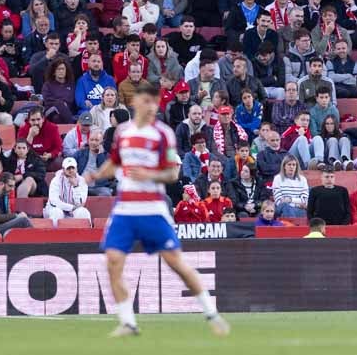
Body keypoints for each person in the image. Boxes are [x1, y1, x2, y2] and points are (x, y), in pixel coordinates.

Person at [83, 81, 228, 336]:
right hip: (125, 209)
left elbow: (173, 173)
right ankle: (128, 322)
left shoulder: (163, 134)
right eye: (147, 101)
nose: (152, 106)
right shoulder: (124, 132)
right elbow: (115, 163)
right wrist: (95, 176)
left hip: (152, 208)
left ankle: (212, 313)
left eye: (155, 102)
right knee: (113, 262)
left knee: (176, 264)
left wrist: (148, 173)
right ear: (136, 102)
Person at [45, 156, 91, 223]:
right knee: (57, 212)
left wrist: (75, 186)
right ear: (63, 169)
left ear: (76, 168)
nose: (71, 170)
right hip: (56, 209)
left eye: (73, 168)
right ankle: (54, 233)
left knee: (83, 212)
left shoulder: (82, 181)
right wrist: (71, 207)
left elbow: (80, 203)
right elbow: (54, 202)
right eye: (68, 168)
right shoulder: (56, 180)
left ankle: (86, 233)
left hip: (74, 210)